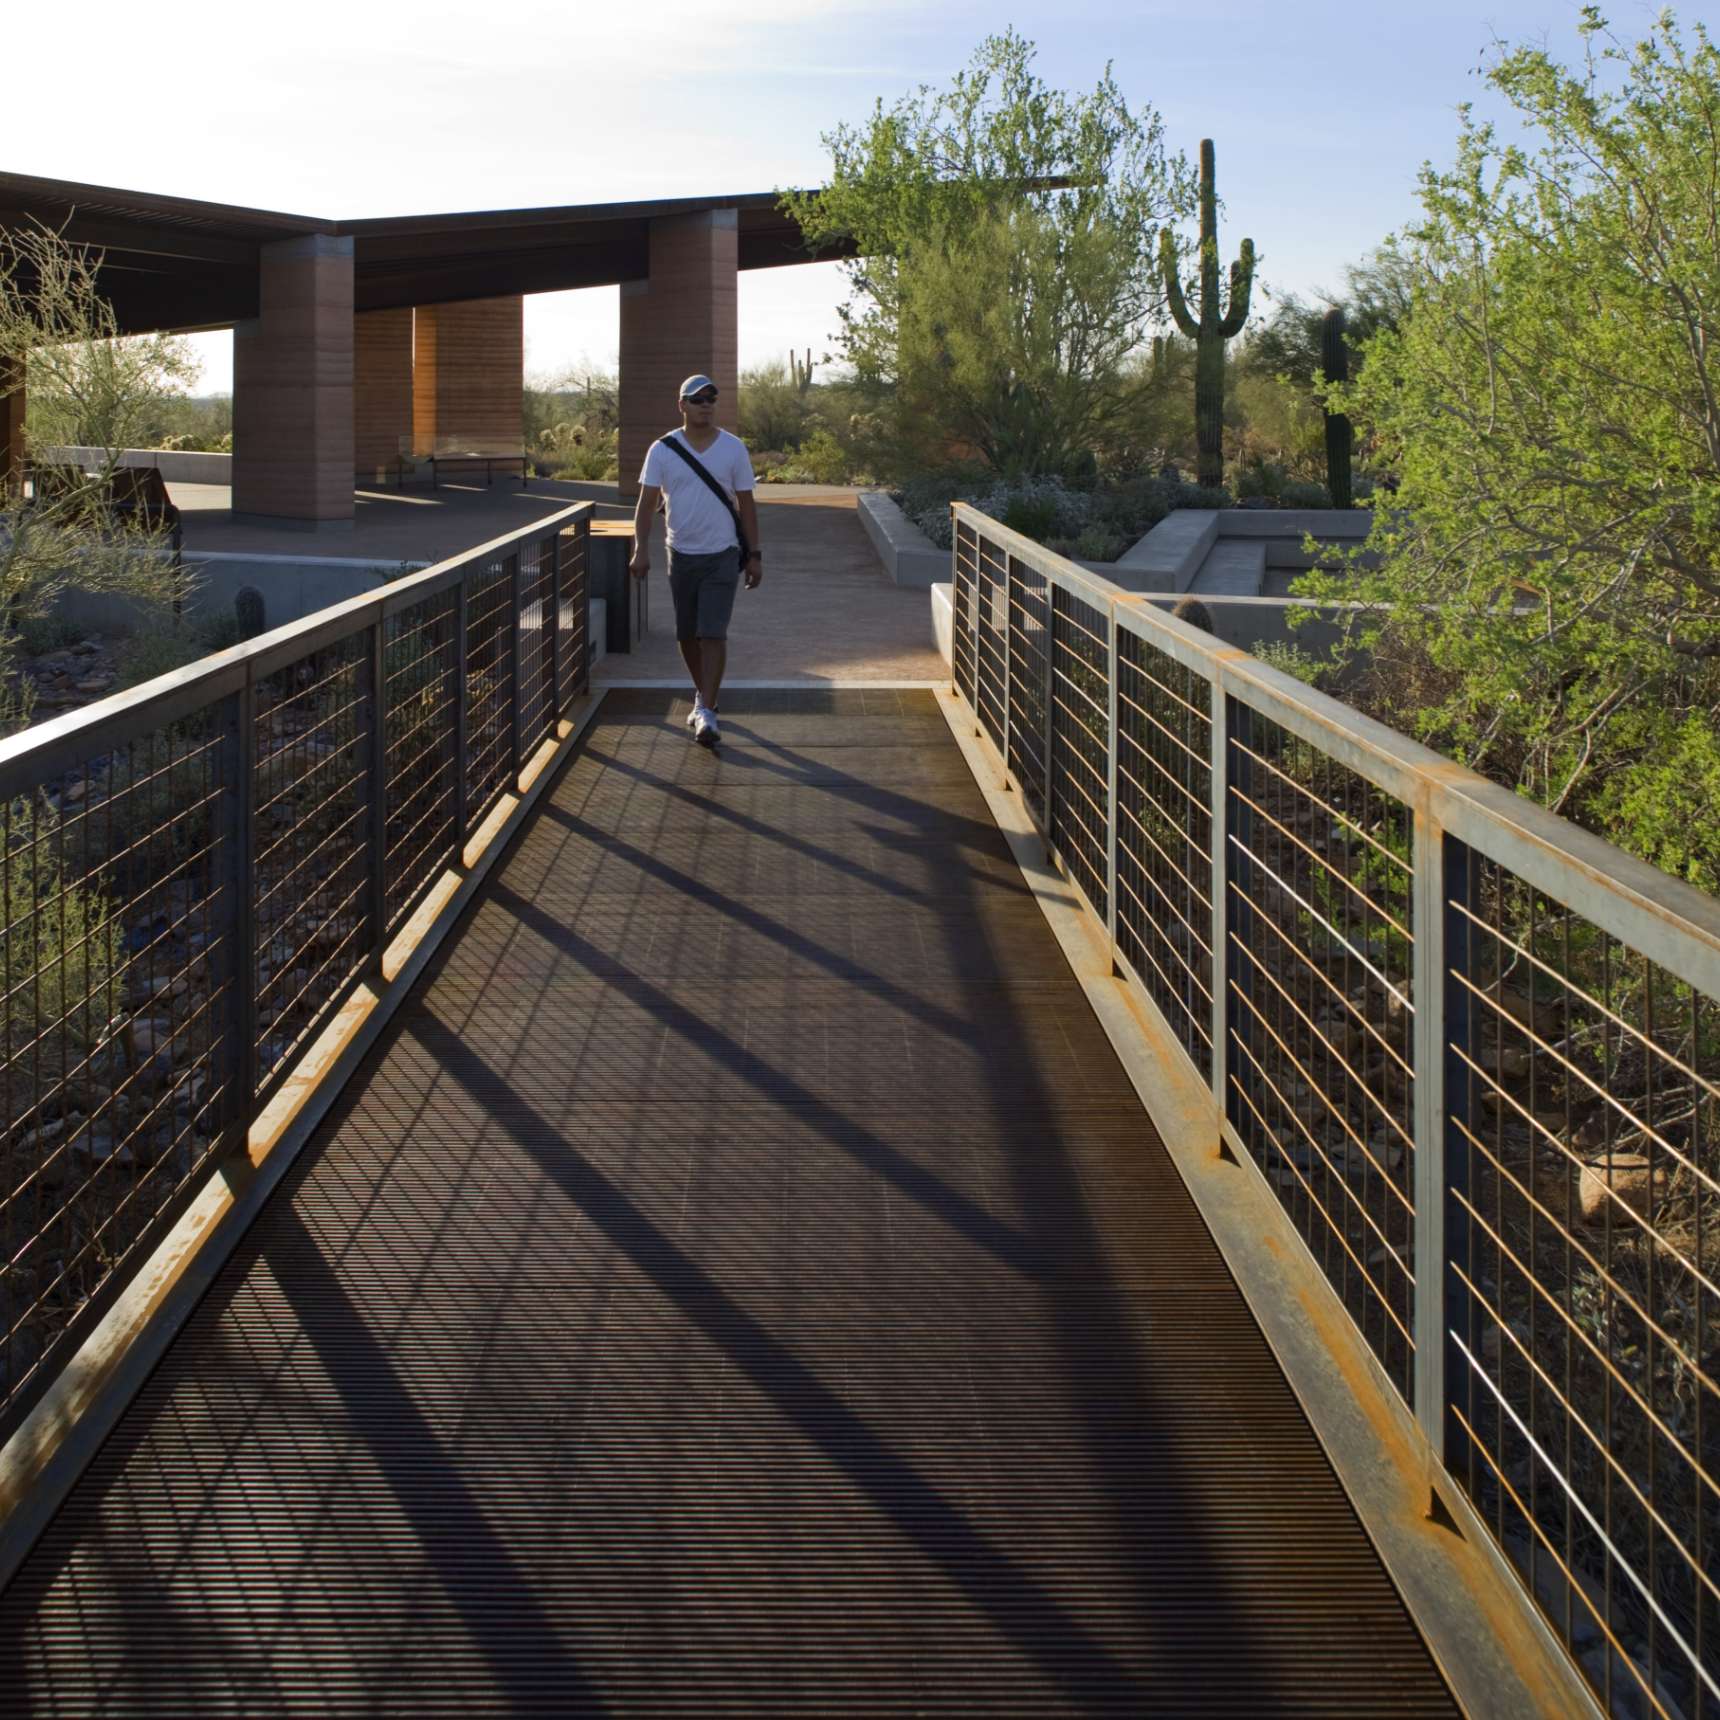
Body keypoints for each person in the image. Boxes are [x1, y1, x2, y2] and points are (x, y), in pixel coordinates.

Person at [629, 373, 762, 747]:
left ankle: (708, 707)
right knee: (687, 634)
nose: (705, 405)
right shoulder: (662, 450)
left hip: (723, 554)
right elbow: (645, 503)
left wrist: (755, 555)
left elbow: (747, 504)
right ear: (682, 405)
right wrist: (640, 548)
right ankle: (702, 695)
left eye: (710, 399)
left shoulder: (733, 448)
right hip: (681, 554)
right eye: (697, 399)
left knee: (713, 632)